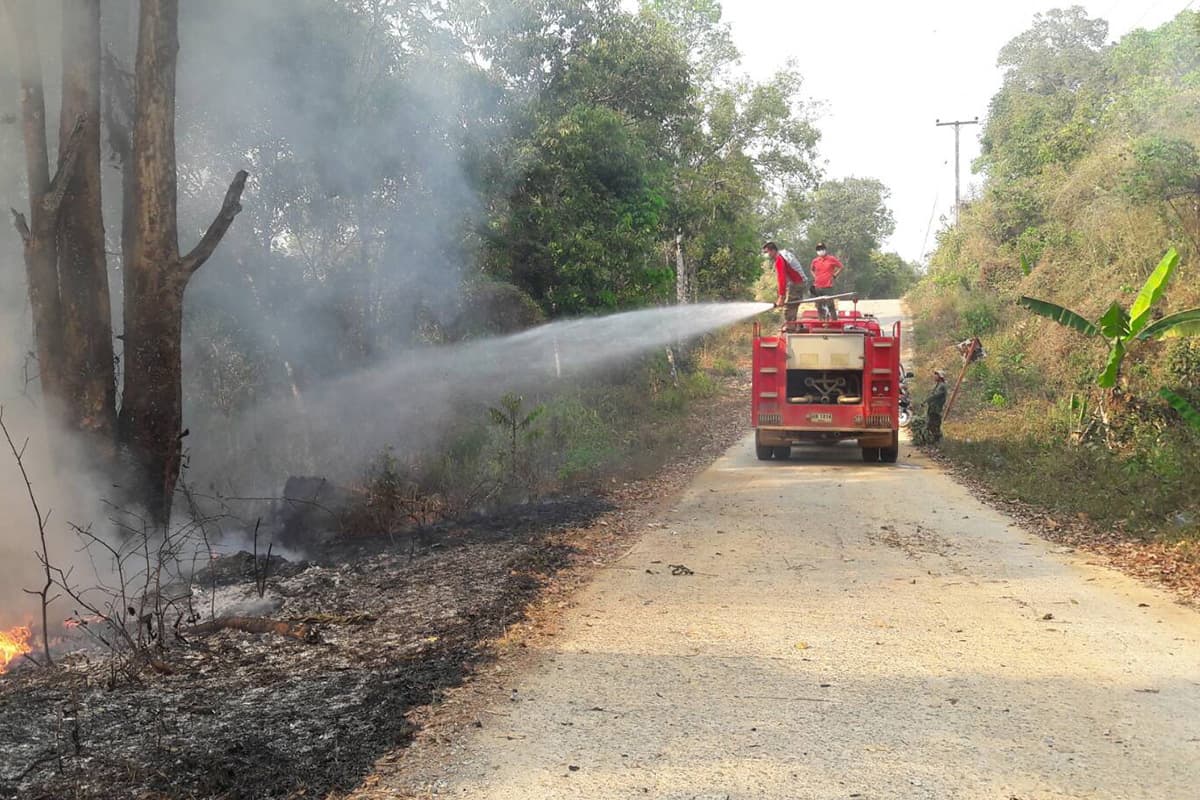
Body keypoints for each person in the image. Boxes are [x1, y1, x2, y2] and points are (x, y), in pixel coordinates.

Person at [763, 241, 806, 322]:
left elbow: (781, 279)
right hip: (799, 282)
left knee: (790, 308)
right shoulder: (784, 254)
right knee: (793, 305)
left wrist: (781, 297)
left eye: (767, 252)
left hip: (797, 283)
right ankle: (792, 325)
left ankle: (791, 328)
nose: (766, 255)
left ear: (773, 250)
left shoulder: (779, 259)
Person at [809, 242, 845, 321]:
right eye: (818, 249)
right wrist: (815, 277)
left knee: (830, 305)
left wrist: (835, 275)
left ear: (825, 249)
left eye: (822, 249)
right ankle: (821, 322)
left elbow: (841, 267)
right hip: (817, 286)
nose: (820, 251)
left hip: (828, 286)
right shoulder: (815, 261)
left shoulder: (831, 259)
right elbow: (811, 269)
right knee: (819, 306)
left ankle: (834, 322)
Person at [925, 368, 948, 443]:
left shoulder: (942, 386)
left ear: (940, 377)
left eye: (936, 375)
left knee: (935, 424)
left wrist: (926, 401)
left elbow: (935, 396)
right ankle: (935, 441)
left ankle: (938, 440)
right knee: (931, 424)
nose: (934, 377)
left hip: (937, 409)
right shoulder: (938, 385)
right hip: (933, 408)